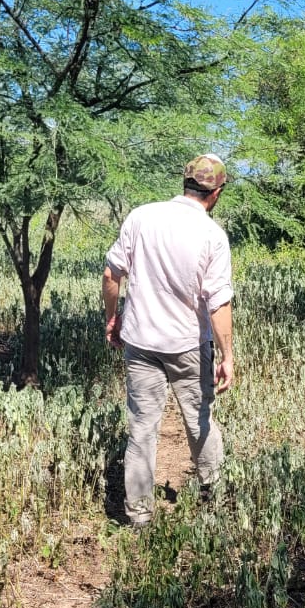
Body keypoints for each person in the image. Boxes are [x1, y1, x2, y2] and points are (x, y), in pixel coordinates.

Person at [102, 154, 235, 527]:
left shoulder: (142, 216)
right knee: (199, 421)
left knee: (142, 429)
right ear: (217, 193)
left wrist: (113, 319)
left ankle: (139, 515)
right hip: (189, 346)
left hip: (140, 343)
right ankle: (213, 498)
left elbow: (112, 273)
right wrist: (227, 355)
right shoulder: (212, 235)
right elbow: (218, 302)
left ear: (185, 182)